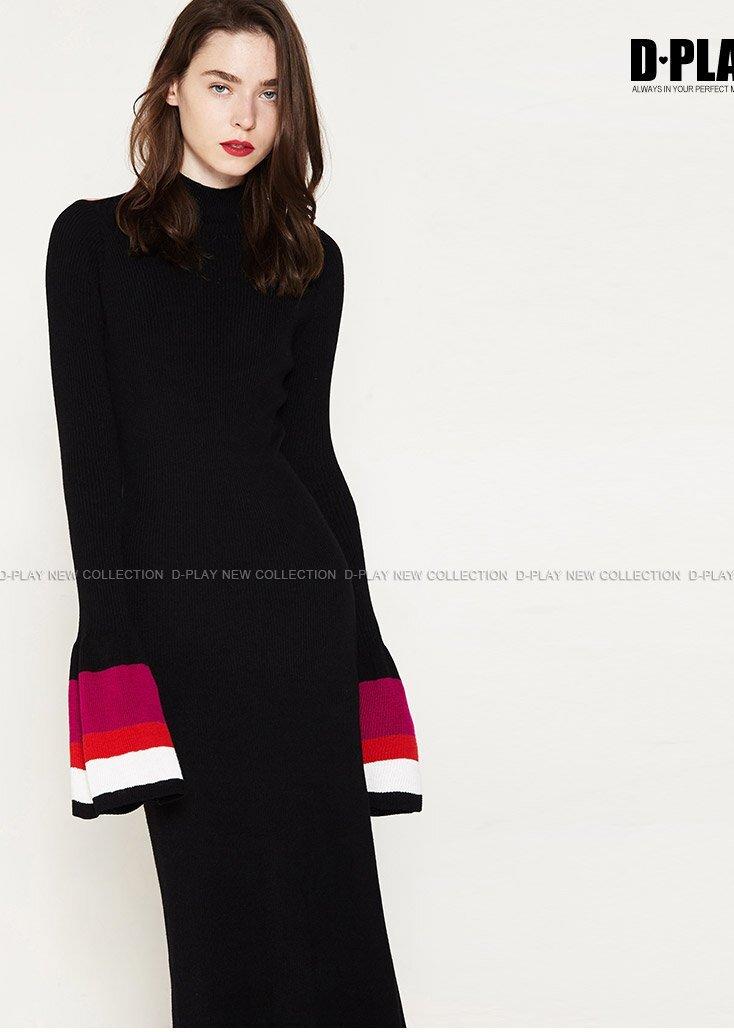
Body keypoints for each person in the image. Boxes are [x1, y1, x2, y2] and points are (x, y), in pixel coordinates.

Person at [45, 0, 422, 1025]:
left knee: (336, 922)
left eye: (269, 92)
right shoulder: (91, 242)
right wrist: (111, 646)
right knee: (217, 934)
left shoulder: (310, 260)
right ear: (173, 85)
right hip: (179, 635)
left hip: (301, 623)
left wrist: (365, 649)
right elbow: (93, 464)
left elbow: (311, 460)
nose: (246, 115)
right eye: (222, 85)